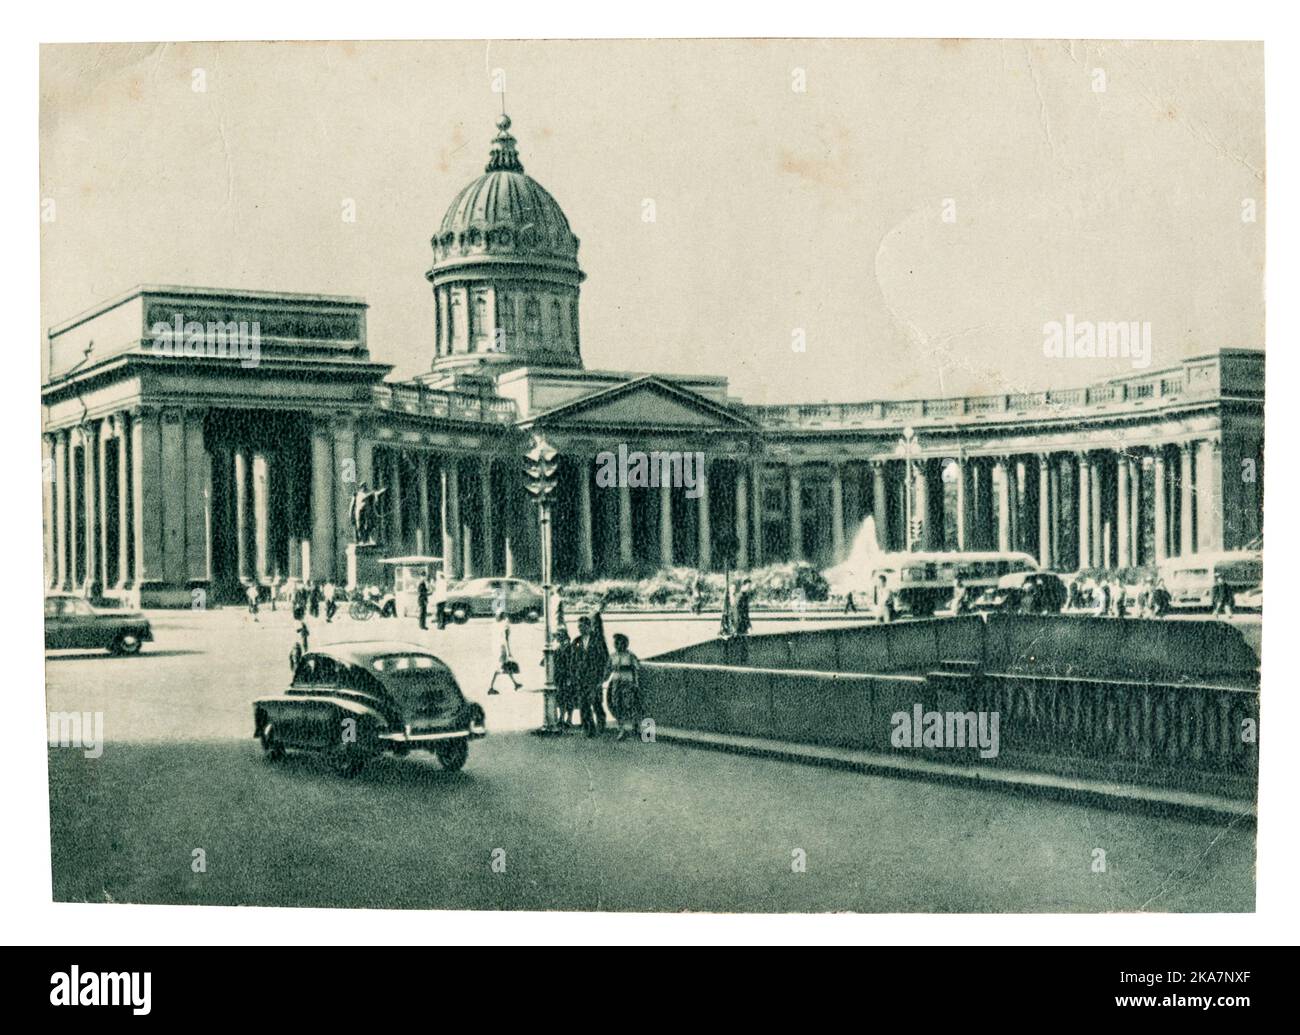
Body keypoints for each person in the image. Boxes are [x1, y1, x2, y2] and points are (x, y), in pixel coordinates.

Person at [574, 612, 610, 736]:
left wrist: (603, 676)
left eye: (582, 627)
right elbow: (573, 660)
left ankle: (601, 724)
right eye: (578, 627)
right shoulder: (577, 641)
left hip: (595, 677)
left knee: (596, 702)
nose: (580, 629)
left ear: (588, 626)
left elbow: (605, 658)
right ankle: (588, 729)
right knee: (583, 703)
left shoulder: (598, 640)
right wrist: (574, 674)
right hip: (581, 677)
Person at [604, 633, 643, 742]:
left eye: (619, 642)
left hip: (628, 683)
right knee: (617, 705)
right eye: (616, 643)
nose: (617, 645)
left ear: (625, 643)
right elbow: (608, 670)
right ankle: (622, 729)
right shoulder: (612, 656)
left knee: (629, 705)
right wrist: (602, 681)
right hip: (616, 683)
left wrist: (636, 683)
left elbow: (636, 670)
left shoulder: (630, 656)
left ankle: (635, 726)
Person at [487, 612, 521, 694]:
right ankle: (490, 687)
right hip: (502, 648)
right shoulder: (505, 625)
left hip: (496, 647)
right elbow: (505, 640)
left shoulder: (495, 625)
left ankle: (515, 684)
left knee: (506, 665)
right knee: (498, 667)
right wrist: (508, 652)